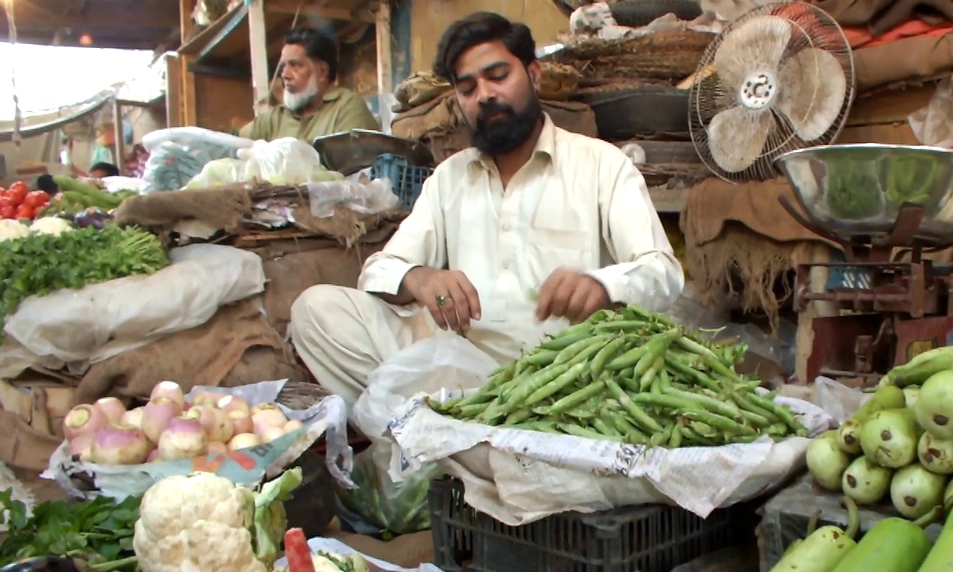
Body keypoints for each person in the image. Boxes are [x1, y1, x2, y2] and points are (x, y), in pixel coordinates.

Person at [289, 12, 685, 409]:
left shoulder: (601, 164)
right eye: (467, 87)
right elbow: (379, 268)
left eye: (497, 76)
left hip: (569, 376)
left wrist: (601, 285)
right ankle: (447, 432)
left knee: (463, 403)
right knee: (317, 311)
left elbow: (662, 272)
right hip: (463, 369)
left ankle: (448, 436)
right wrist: (420, 278)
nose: (484, 95)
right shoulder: (450, 178)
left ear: (533, 75)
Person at [240, 28, 379, 144]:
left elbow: (353, 166)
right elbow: (232, 144)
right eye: (283, 66)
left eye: (295, 65)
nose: (284, 75)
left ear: (322, 71)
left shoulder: (348, 108)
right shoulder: (275, 118)